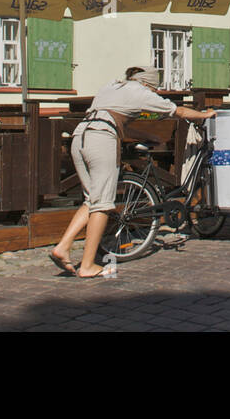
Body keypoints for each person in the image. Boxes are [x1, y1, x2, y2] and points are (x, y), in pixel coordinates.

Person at [51, 66, 215, 278]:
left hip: (81, 136)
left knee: (91, 199)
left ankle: (63, 246)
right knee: (103, 204)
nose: (154, 93)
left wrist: (147, 136)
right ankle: (88, 265)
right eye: (154, 89)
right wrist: (205, 114)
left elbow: (116, 121)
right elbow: (179, 112)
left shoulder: (112, 86)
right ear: (147, 84)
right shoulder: (141, 92)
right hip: (101, 139)